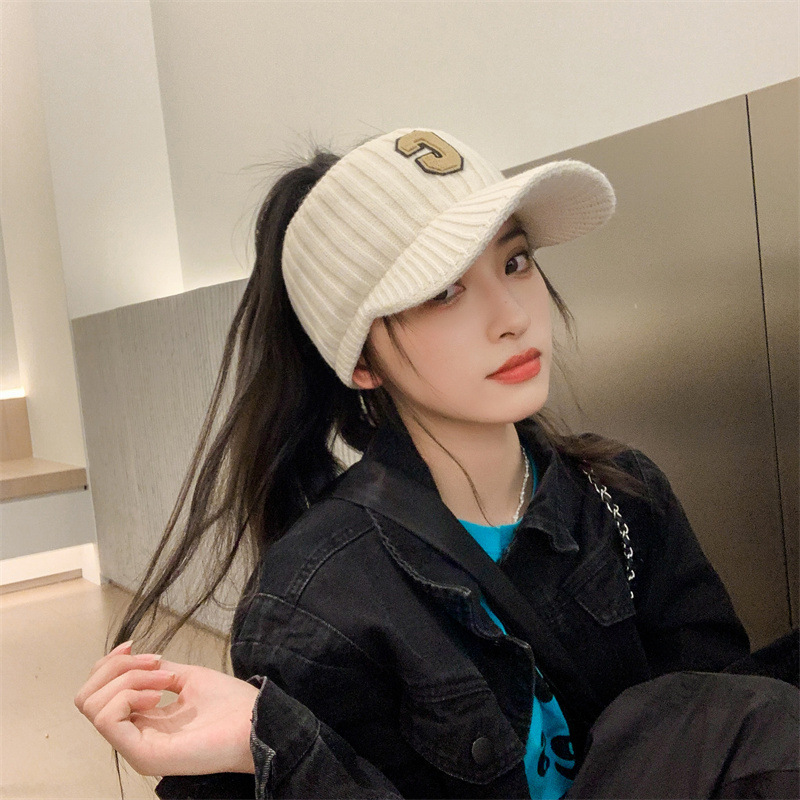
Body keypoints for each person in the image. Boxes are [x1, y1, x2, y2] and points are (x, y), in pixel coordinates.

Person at [75, 129, 798, 799]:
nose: (511, 315)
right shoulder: (321, 600)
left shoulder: (620, 495)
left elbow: (723, 735)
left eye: (514, 262)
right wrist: (277, 750)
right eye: (442, 291)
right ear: (361, 362)